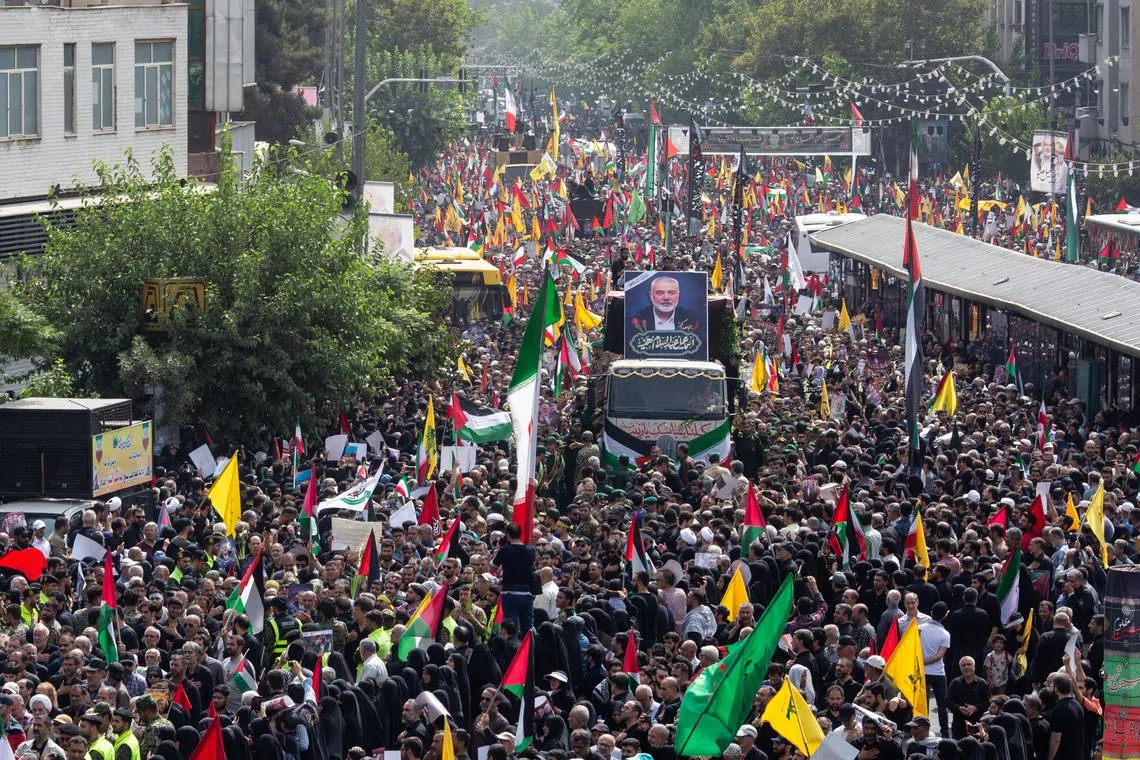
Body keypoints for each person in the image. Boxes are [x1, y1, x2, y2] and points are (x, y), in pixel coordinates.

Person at [629, 276, 701, 333]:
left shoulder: (692, 319)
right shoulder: (636, 321)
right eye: (660, 293)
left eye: (671, 293)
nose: (666, 297)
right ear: (650, 295)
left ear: (678, 294)